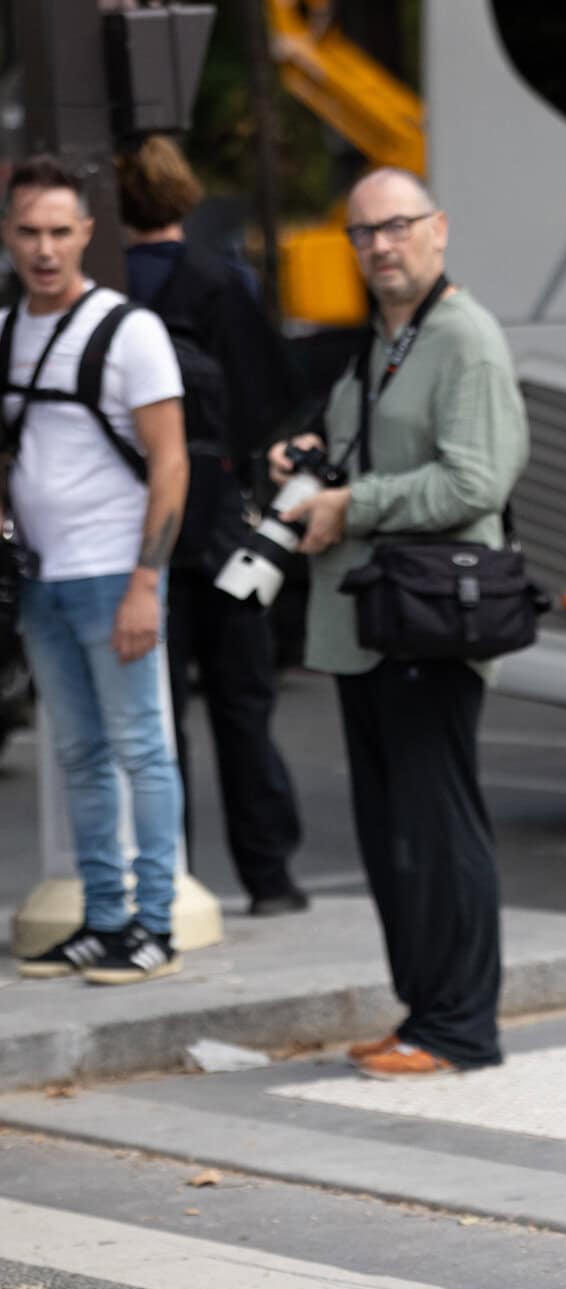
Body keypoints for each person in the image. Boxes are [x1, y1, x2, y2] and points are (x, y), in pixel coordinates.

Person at [266, 167, 527, 1080]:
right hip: (372, 622)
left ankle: (461, 1030)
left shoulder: (465, 340)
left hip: (433, 620)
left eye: (397, 226)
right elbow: (369, 457)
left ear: (438, 229)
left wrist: (354, 504)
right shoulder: (380, 341)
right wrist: (308, 463)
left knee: (440, 829)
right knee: (394, 837)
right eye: (364, 232)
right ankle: (423, 1011)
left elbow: (476, 482)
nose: (381, 245)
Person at [3, 156, 191, 985]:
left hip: (117, 574)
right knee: (78, 754)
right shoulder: (6, 329)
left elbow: (171, 461)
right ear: (8, 236)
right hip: (40, 581)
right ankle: (104, 919)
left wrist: (147, 583)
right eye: (28, 232)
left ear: (87, 233)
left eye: (59, 231)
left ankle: (156, 925)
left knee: (141, 749)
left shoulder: (129, 331)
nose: (44, 249)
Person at [115, 135, 309, 918]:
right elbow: (268, 404)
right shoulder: (224, 284)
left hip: (141, 530)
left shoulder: (106, 293)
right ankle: (270, 877)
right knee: (244, 707)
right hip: (227, 529)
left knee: (156, 721)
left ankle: (174, 879)